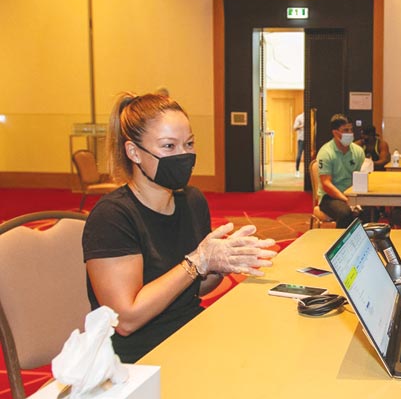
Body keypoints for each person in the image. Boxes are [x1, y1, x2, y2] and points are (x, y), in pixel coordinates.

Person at [82, 93, 278, 363]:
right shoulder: (112, 217)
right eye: (169, 146)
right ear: (134, 152)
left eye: (189, 144)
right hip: (137, 358)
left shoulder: (192, 200)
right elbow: (126, 319)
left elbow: (195, 289)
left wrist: (221, 263)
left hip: (189, 333)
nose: (183, 155)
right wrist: (197, 261)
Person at [316, 114, 366, 227]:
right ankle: (343, 238)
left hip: (353, 194)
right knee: (345, 213)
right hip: (330, 197)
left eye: (351, 129)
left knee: (371, 212)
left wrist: (355, 199)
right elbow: (326, 184)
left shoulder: (358, 152)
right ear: (335, 133)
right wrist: (346, 200)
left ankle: (363, 238)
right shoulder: (326, 152)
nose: (350, 133)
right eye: (345, 130)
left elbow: (362, 176)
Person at [293, 112, 304, 177]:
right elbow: (294, 128)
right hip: (301, 139)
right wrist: (301, 126)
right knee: (299, 155)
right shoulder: (299, 117)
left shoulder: (312, 116)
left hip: (309, 139)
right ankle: (297, 170)